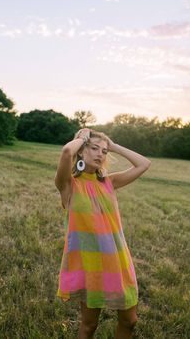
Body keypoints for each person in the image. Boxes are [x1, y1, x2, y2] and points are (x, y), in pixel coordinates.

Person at [55, 128, 151, 339]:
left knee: (130, 321)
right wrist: (81, 138)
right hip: (89, 263)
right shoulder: (68, 185)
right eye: (94, 148)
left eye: (104, 151)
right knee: (89, 325)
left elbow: (144, 164)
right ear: (81, 151)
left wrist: (113, 145)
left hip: (117, 259)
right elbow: (66, 153)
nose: (100, 154)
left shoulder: (110, 182)